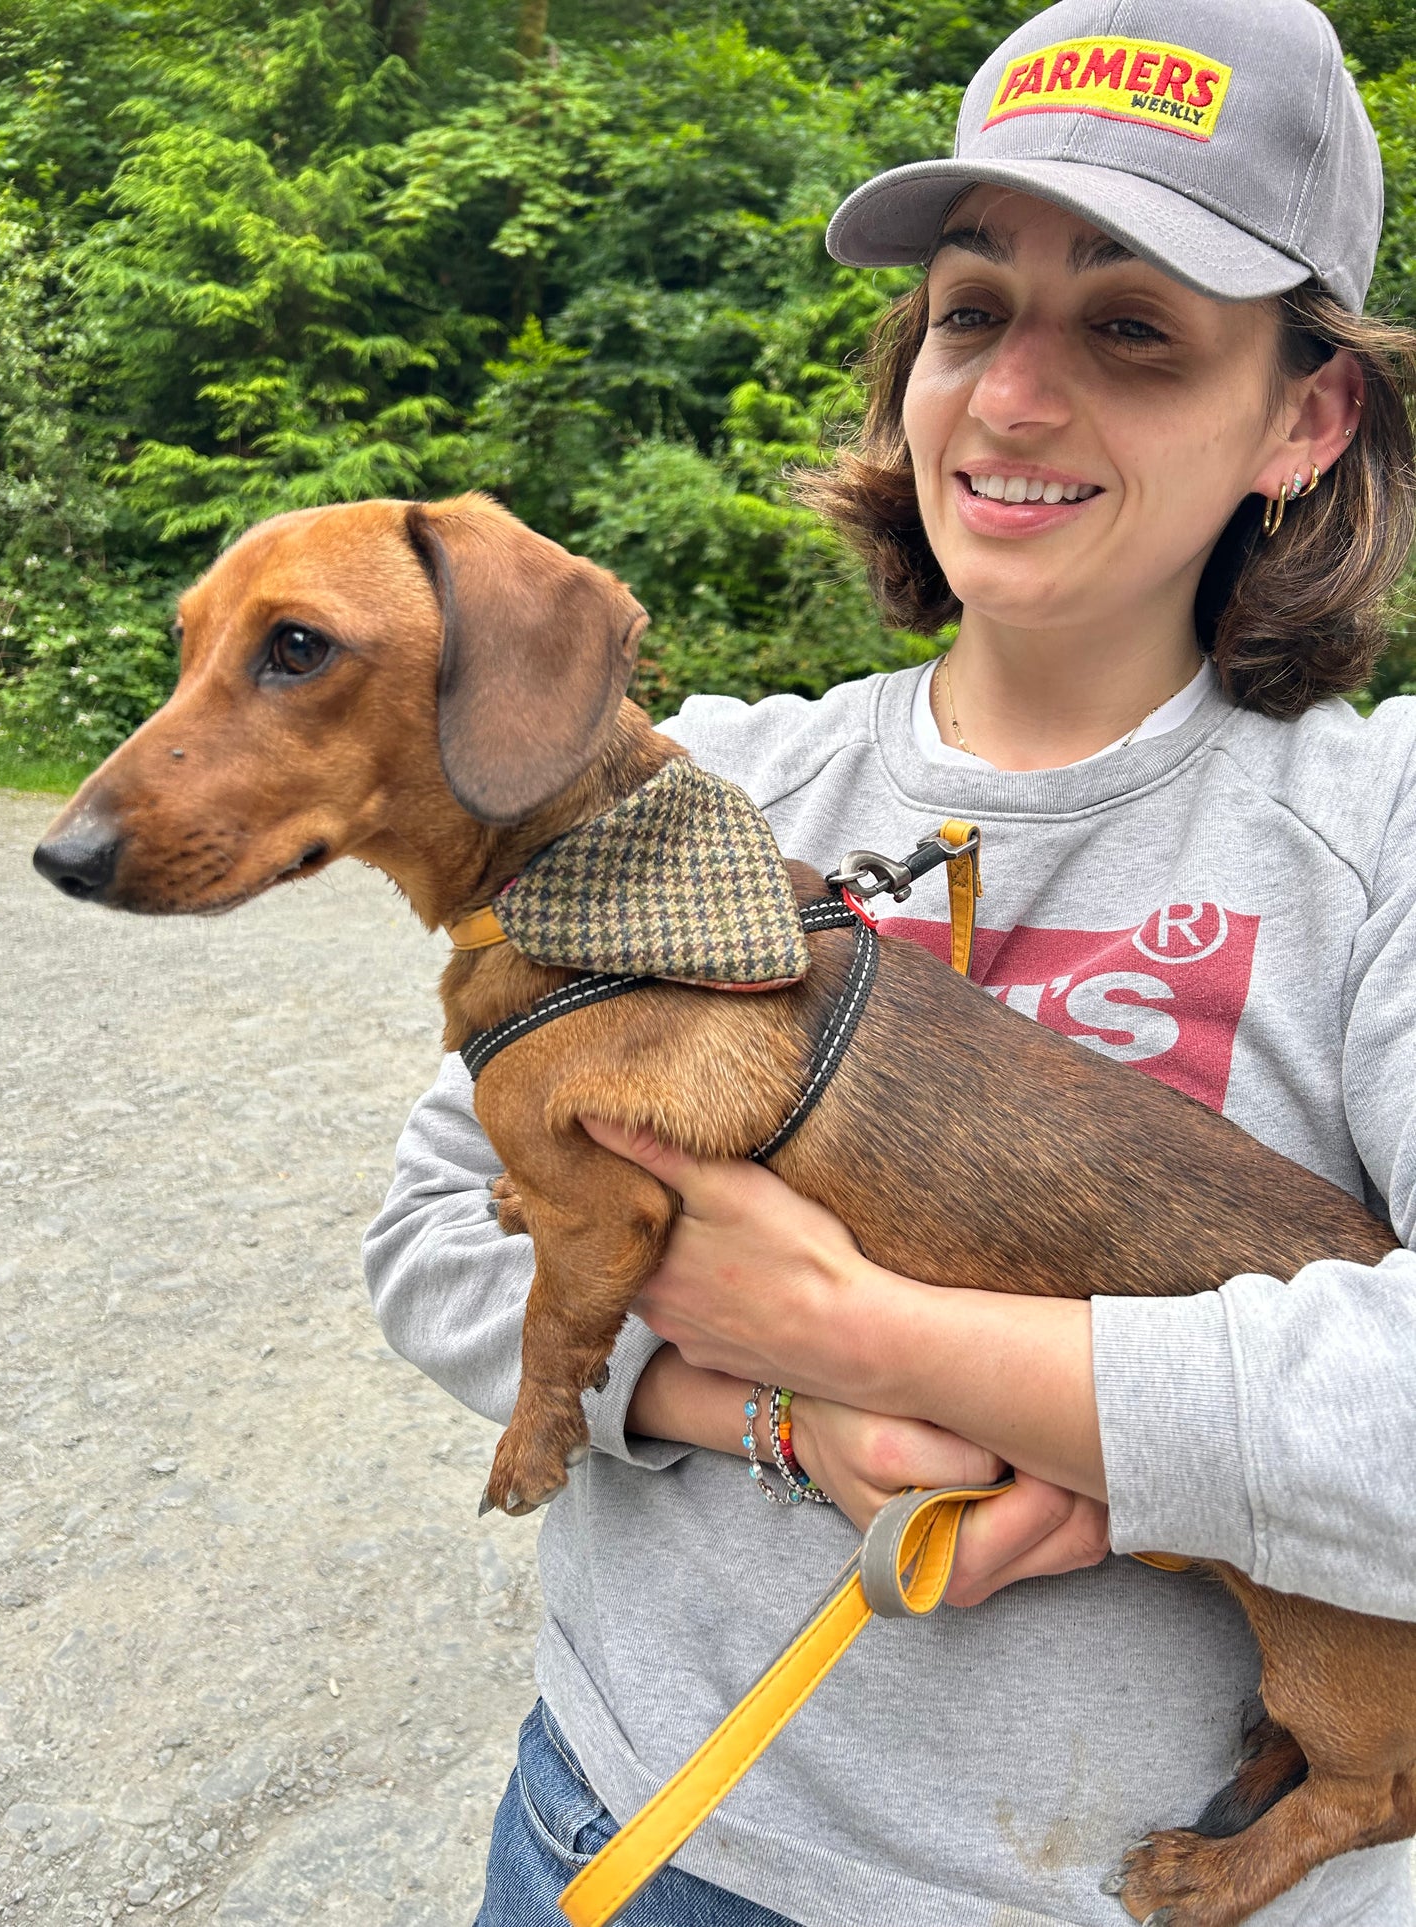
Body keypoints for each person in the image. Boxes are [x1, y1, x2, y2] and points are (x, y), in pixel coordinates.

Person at [363, 0, 1416, 1920]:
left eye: (1132, 328)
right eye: (967, 311)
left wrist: (885, 1340)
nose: (1012, 396)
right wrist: (775, 1409)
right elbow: (437, 1236)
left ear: (1303, 416)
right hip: (632, 1831)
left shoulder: (1384, 839)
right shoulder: (716, 783)